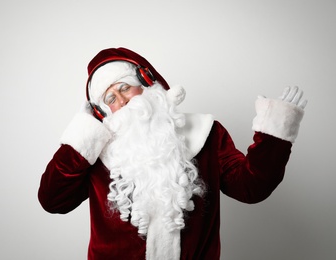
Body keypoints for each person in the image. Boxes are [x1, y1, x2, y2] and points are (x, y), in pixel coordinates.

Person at [38, 47, 307, 260]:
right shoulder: (95, 151)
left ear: (146, 83)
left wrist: (274, 133)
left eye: (124, 88)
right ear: (102, 113)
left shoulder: (205, 132)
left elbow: (251, 187)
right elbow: (53, 201)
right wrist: (81, 138)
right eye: (110, 99)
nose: (122, 101)